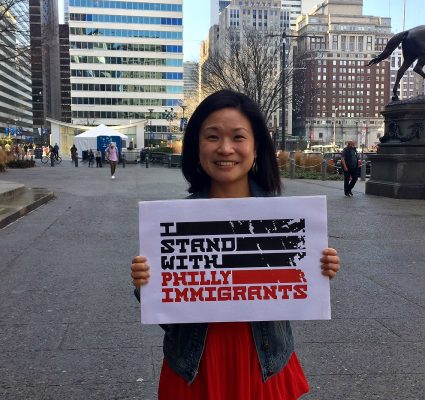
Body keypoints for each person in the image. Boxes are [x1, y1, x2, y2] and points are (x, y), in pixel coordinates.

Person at [129, 89, 340, 399]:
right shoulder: (174, 223)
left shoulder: (285, 218)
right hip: (195, 364)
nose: (225, 148)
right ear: (197, 147)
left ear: (256, 147)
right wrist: (145, 283)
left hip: (262, 360)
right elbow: (166, 309)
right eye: (212, 137)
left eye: (238, 137)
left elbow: (296, 290)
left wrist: (321, 268)